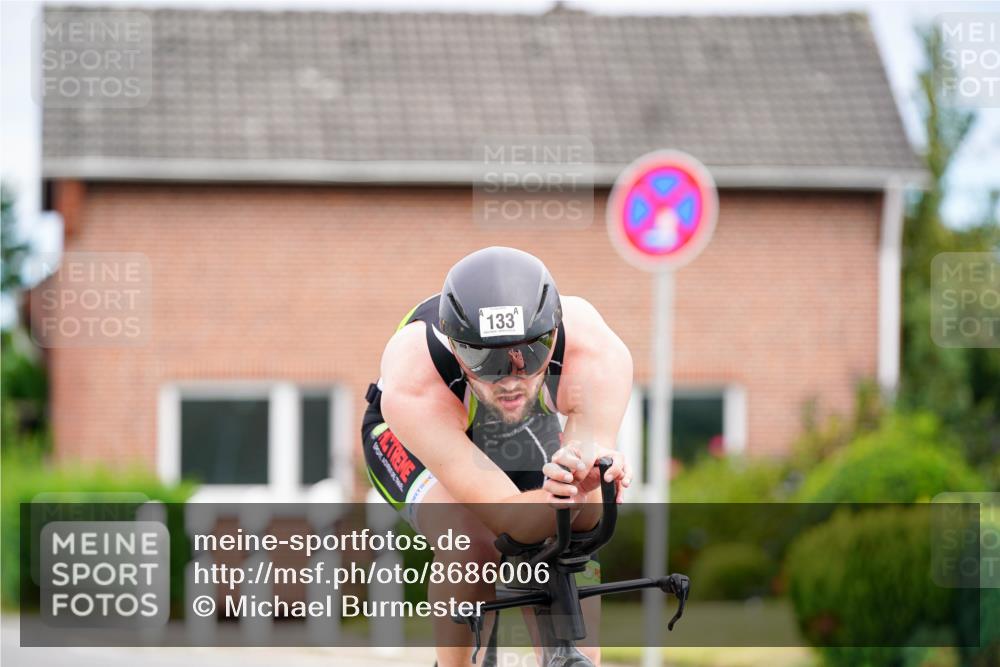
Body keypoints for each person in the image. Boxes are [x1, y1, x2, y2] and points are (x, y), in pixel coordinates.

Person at [362, 246, 633, 667]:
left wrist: (591, 485)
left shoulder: (595, 352)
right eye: (483, 359)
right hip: (415, 434)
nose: (511, 379)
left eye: (530, 355)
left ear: (555, 335)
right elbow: (507, 516)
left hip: (525, 431)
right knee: (472, 542)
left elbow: (582, 518)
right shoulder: (416, 375)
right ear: (454, 347)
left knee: (565, 543)